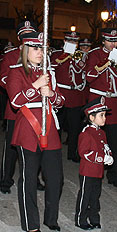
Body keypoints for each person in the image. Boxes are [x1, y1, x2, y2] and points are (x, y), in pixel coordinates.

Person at [6, 31, 65, 232]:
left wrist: (51, 94)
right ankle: (31, 222)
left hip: (49, 126)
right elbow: (15, 101)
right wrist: (36, 86)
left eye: (42, 48)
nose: (40, 52)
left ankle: (51, 218)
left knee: (55, 177)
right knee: (29, 178)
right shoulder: (16, 72)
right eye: (35, 48)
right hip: (28, 129)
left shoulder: (49, 71)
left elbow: (60, 102)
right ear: (25, 51)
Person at [84, 28, 117, 188]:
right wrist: (106, 63)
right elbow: (89, 77)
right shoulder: (94, 54)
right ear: (103, 40)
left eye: (115, 41)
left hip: (115, 101)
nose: (113, 44)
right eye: (109, 40)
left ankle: (114, 175)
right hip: (98, 100)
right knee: (94, 140)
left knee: (113, 140)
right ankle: (92, 172)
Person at [0, 20, 38, 194]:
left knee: (36, 148)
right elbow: (4, 79)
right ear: (20, 37)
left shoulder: (40, 54)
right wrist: (22, 86)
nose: (27, 38)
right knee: (11, 148)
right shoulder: (11, 55)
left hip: (37, 109)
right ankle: (6, 180)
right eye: (24, 35)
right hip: (17, 109)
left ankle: (33, 179)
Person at [75, 97, 113, 230]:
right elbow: (84, 152)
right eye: (101, 115)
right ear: (91, 117)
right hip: (88, 171)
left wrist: (109, 156)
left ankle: (94, 218)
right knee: (85, 195)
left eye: (104, 115)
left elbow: (105, 147)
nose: (104, 118)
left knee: (95, 196)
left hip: (98, 171)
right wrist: (101, 159)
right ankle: (81, 219)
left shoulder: (101, 133)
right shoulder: (86, 133)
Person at [51, 31, 87, 162]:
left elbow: (86, 72)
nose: (73, 44)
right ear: (65, 41)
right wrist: (65, 55)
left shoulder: (81, 56)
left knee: (74, 128)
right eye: (70, 41)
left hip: (75, 95)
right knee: (57, 126)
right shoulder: (56, 54)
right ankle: (54, 152)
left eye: (75, 42)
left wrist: (78, 59)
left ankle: (73, 153)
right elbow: (51, 67)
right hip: (61, 94)